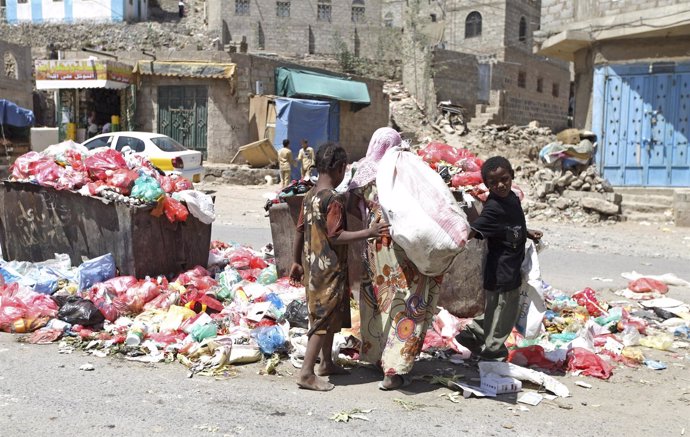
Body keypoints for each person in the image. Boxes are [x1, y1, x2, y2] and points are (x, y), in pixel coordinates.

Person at [289, 142, 389, 392]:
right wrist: (369, 231)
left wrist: (295, 261)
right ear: (341, 168)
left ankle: (326, 363)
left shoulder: (311, 195)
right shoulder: (332, 199)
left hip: (312, 266)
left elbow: (300, 230)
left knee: (327, 313)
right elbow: (336, 236)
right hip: (328, 267)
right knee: (323, 319)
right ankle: (307, 373)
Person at [348, 127, 441, 391]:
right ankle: (394, 369)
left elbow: (354, 207)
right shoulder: (402, 168)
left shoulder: (362, 172)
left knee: (377, 300)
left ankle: (375, 355)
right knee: (410, 300)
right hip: (399, 245)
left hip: (372, 244)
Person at [455, 156, 543, 361]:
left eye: (504, 179)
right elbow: (474, 230)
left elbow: (508, 225)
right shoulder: (493, 207)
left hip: (511, 266)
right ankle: (494, 353)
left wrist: (527, 232)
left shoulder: (511, 198)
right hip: (501, 271)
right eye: (493, 183)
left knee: (495, 309)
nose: (500, 185)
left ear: (512, 176)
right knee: (504, 314)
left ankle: (472, 335)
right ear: (487, 185)